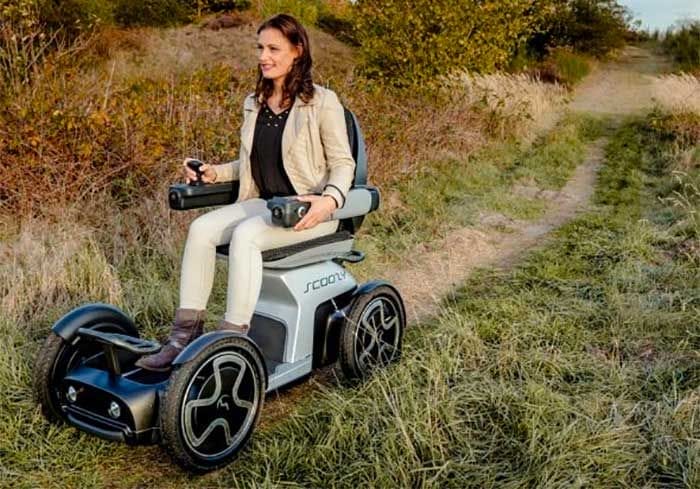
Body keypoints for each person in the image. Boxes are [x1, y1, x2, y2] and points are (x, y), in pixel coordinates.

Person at [136, 14, 355, 371]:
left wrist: (329, 200)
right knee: (201, 230)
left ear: (297, 51)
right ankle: (183, 336)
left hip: (306, 211)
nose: (263, 56)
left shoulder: (322, 102)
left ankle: (231, 340)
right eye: (260, 48)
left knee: (246, 236)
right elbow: (250, 163)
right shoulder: (254, 103)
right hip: (265, 205)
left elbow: (343, 163)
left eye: (273, 48)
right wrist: (213, 172)